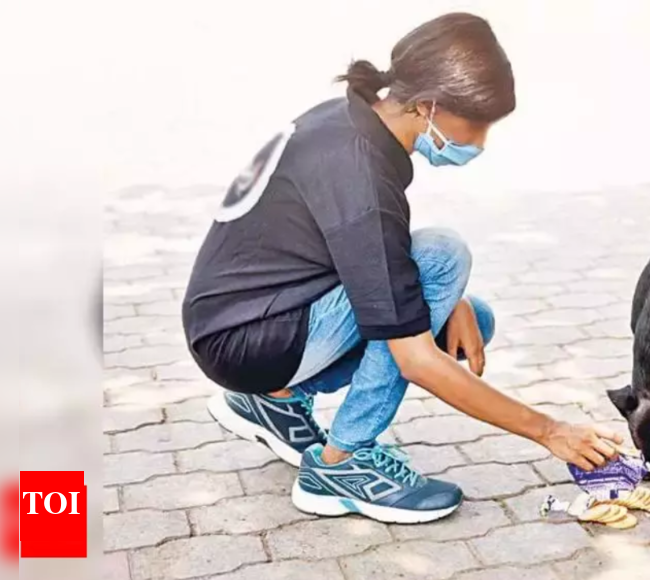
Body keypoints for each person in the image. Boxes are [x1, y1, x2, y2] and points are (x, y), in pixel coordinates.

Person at [181, 12, 621, 524]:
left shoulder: (348, 122)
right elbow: (414, 358)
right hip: (247, 340)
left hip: (248, 320)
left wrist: (447, 298)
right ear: (430, 105)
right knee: (442, 255)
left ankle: (275, 402)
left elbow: (363, 249)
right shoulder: (357, 167)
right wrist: (551, 431)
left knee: (470, 318)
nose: (479, 143)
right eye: (475, 125)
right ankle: (341, 465)